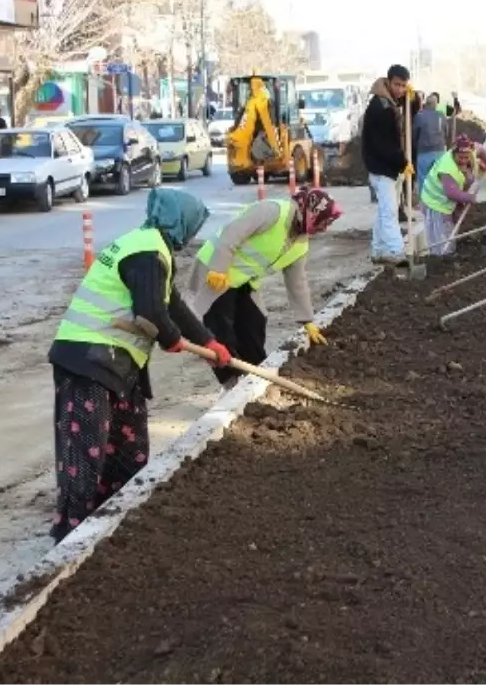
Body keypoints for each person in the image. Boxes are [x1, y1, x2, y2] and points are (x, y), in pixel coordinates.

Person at [46, 189, 230, 542]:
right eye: (193, 225)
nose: (193, 233)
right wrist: (171, 338)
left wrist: (208, 340)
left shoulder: (153, 247)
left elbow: (170, 303)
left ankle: (115, 518)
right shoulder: (147, 251)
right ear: (181, 220)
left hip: (116, 361)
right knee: (85, 450)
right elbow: (151, 312)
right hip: (88, 359)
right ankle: (71, 533)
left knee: (129, 451)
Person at [188, 187, 342, 382]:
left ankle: (255, 376)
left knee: (255, 323)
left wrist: (307, 321)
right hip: (216, 271)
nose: (323, 228)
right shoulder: (273, 211)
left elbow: (297, 282)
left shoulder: (301, 241)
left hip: (243, 280)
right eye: (322, 221)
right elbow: (230, 234)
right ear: (312, 210)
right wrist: (218, 268)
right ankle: (230, 382)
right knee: (221, 331)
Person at [362, 64, 415, 263]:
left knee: (384, 211)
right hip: (381, 167)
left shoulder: (389, 102)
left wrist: (414, 98)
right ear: (389, 81)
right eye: (397, 84)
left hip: (386, 166)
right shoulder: (381, 108)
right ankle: (397, 252)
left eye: (404, 86)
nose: (400, 89)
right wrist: (402, 162)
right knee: (390, 212)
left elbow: (411, 114)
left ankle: (378, 250)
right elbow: (383, 144)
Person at [419, 135, 486, 256]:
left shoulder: (472, 150)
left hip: (447, 199)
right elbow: (452, 194)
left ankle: (448, 251)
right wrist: (471, 198)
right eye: (460, 157)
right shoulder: (447, 168)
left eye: (466, 157)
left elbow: (481, 149)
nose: (463, 160)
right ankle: (441, 256)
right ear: (453, 153)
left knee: (452, 222)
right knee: (442, 234)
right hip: (435, 202)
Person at [413, 92, 448, 199]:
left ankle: (424, 200)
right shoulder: (441, 115)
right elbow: (446, 132)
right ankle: (439, 198)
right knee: (439, 177)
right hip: (440, 151)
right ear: (435, 104)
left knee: (423, 177)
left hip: (424, 152)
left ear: (425, 104)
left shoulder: (419, 116)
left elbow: (414, 134)